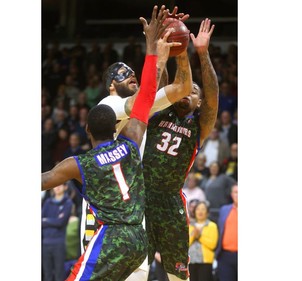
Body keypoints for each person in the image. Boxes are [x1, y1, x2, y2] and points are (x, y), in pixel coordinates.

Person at [41, 7, 177, 280]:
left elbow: (44, 180)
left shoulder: (80, 163)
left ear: (87, 128)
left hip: (111, 234)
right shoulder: (130, 139)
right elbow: (147, 97)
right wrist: (153, 50)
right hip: (139, 236)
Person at [80, 5, 192, 281]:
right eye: (122, 72)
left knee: (137, 275)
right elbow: (138, 101)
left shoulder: (140, 106)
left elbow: (182, 89)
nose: (130, 74)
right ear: (110, 85)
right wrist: (154, 51)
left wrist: (180, 51)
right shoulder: (111, 104)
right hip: (104, 207)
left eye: (133, 72)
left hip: (131, 209)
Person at [142, 18, 219, 281]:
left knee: (177, 273)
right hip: (141, 198)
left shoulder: (199, 125)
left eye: (194, 92)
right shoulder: (160, 109)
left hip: (170, 202)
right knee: (137, 269)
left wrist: (202, 53)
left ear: (199, 102)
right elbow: (159, 80)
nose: (189, 92)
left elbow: (212, 95)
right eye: (187, 88)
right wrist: (166, 46)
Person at [42, 183, 73, 281]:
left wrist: (46, 220)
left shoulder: (68, 203)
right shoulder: (47, 202)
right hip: (45, 242)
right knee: (47, 274)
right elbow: (40, 221)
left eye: (60, 185)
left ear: (65, 187)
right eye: (55, 185)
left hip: (59, 243)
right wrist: (52, 220)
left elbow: (61, 222)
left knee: (59, 274)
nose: (57, 187)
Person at [188, 201, 218, 281]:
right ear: (194, 211)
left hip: (206, 263)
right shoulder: (189, 225)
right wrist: (193, 235)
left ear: (207, 212)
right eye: (198, 209)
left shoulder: (212, 226)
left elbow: (212, 244)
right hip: (190, 262)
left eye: (203, 209)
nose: (200, 211)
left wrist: (199, 236)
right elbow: (186, 244)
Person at [215, 184, 238, 281]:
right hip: (225, 256)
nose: (238, 195)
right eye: (236, 192)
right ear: (231, 194)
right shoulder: (224, 210)